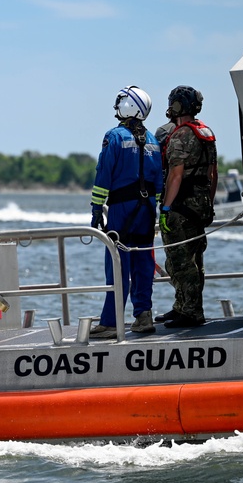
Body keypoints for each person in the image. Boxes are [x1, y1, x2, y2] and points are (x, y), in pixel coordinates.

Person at [89, 86, 164, 339]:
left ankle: (111, 322)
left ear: (130, 106)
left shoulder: (115, 136)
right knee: (144, 261)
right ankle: (144, 316)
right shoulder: (153, 140)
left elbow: (104, 174)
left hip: (121, 209)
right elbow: (157, 182)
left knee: (117, 262)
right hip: (146, 211)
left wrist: (97, 208)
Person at [157, 85, 218, 328]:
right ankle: (182, 306)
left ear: (178, 105)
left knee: (179, 261)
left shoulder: (181, 135)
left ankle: (191, 312)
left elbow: (175, 176)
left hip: (181, 207)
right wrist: (209, 204)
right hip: (200, 206)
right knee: (195, 258)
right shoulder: (205, 132)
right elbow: (213, 174)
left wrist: (166, 207)